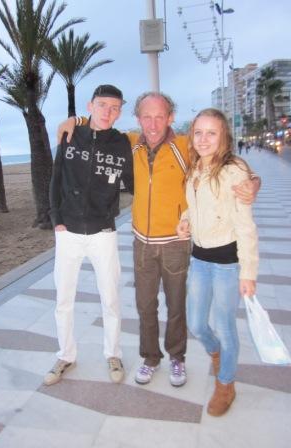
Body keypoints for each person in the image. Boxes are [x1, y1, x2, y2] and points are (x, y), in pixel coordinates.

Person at [57, 92, 260, 388]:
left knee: (176, 306)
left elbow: (222, 159)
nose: (153, 124)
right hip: (141, 242)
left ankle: (177, 358)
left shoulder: (184, 146)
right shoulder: (130, 143)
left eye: (160, 116)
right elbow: (101, 123)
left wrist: (254, 181)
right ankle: (150, 358)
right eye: (146, 117)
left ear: (171, 118)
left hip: (175, 243)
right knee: (145, 305)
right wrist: (74, 120)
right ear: (138, 119)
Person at [44, 84, 134, 386]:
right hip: (67, 230)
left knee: (110, 297)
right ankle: (65, 355)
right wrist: (56, 218)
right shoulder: (71, 135)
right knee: (63, 298)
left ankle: (113, 353)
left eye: (115, 107)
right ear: (90, 106)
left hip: (103, 232)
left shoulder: (123, 144)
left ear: (120, 111)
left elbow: (135, 182)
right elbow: (55, 178)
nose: (108, 112)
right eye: (103, 105)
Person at [177, 108, 258, 416]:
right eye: (198, 132)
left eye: (212, 133)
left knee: (224, 327)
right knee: (197, 323)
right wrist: (186, 220)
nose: (204, 139)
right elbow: (196, 206)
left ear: (223, 136)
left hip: (226, 264)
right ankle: (218, 355)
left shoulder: (234, 170)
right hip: (199, 259)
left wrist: (247, 272)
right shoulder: (196, 167)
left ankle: (226, 383)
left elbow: (245, 226)